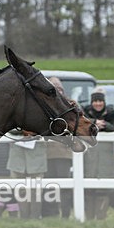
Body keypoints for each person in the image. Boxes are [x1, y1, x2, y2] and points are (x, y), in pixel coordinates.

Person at [82, 87, 114, 220]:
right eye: (95, 101)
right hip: (89, 157)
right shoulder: (84, 113)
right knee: (88, 189)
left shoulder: (111, 114)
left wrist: (106, 125)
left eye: (100, 101)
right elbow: (79, 124)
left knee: (103, 189)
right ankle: (89, 219)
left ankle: (101, 218)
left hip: (105, 158)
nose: (98, 104)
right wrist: (94, 123)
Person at [43, 76, 73, 219]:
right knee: (50, 185)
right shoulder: (44, 106)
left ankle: (65, 213)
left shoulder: (71, 105)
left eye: (59, 89)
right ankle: (51, 212)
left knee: (65, 185)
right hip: (47, 153)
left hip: (64, 154)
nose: (58, 92)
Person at [6, 130, 47, 219]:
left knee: (36, 190)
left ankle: (35, 217)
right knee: (20, 190)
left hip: (37, 155)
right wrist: (23, 131)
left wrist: (34, 131)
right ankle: (23, 217)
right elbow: (8, 129)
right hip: (17, 156)